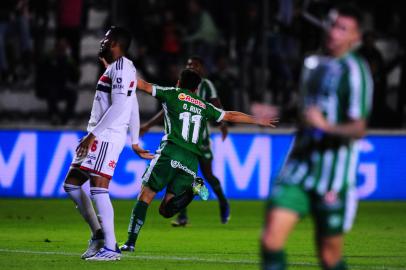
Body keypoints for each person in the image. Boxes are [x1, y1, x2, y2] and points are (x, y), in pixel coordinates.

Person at [261, 5, 373, 270]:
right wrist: (278, 112)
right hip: (299, 167)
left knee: (329, 257)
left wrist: (325, 126)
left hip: (332, 176)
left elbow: (358, 128)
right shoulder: (314, 64)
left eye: (343, 29)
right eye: (333, 25)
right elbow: (305, 110)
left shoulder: (355, 72)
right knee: (270, 240)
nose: (334, 32)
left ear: (355, 38)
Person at [120, 68, 278, 252]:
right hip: (191, 160)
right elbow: (230, 115)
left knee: (145, 196)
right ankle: (194, 188)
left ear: (179, 83)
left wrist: (122, 72)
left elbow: (144, 86)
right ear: (196, 89)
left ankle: (130, 243)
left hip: (170, 152)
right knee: (166, 210)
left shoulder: (172, 93)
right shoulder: (204, 105)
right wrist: (258, 120)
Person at [63, 26, 152, 261]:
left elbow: (121, 106)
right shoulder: (118, 68)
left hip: (105, 135)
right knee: (71, 185)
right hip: (99, 133)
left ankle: (111, 248)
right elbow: (132, 104)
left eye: (106, 38)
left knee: (98, 188)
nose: (102, 41)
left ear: (115, 44)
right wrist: (134, 141)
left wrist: (94, 135)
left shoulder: (121, 67)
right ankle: (99, 235)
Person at [140, 56, 230, 226]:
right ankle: (182, 216)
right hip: (184, 143)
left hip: (201, 142)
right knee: (180, 178)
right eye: (189, 65)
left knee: (208, 175)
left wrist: (223, 124)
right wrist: (148, 125)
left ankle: (223, 203)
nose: (192, 67)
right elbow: (167, 109)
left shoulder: (206, 85)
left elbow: (217, 106)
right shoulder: (180, 89)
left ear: (201, 68)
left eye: (195, 65)